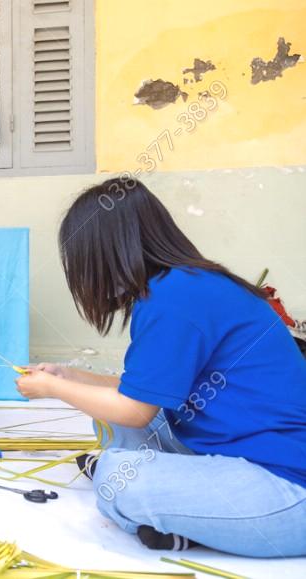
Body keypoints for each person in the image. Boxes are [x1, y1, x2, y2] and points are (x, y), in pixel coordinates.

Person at [16, 178, 306, 557]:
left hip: (284, 488)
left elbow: (135, 411)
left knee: (116, 482)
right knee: (106, 416)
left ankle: (190, 520)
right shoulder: (185, 283)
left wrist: (53, 389)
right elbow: (142, 390)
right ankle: (187, 513)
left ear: (108, 250)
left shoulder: (172, 298)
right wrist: (69, 377)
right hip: (242, 454)